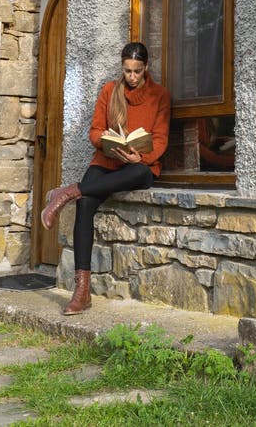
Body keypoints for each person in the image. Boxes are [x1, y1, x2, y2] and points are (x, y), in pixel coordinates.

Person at [40, 41, 170, 315]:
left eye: (137, 71)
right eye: (127, 71)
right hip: (108, 160)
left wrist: (140, 157)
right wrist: (110, 143)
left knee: (139, 172)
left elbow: (160, 140)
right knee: (85, 205)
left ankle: (67, 191)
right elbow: (95, 131)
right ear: (122, 67)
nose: (132, 77)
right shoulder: (110, 91)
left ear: (146, 68)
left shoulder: (160, 95)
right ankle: (82, 291)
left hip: (138, 166)